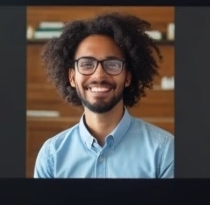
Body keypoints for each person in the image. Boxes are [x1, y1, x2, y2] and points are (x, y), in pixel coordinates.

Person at [35, 12, 174, 178]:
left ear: (128, 76)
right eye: (87, 64)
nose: (99, 76)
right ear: (72, 77)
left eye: (112, 64)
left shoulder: (164, 151)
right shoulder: (51, 156)